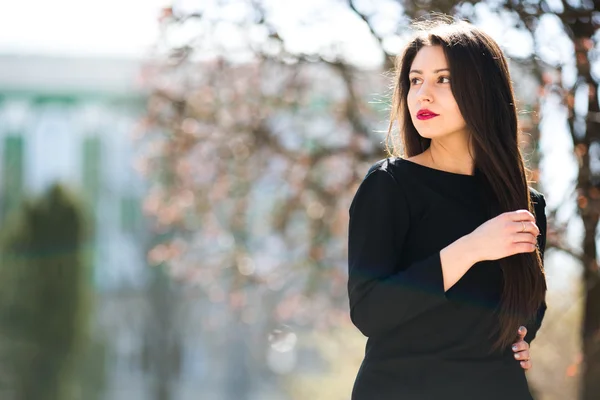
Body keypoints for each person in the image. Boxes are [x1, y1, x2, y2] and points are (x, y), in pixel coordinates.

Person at [347, 16, 547, 400]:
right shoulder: (389, 186)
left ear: (483, 91)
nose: (423, 94)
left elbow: (530, 301)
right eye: (415, 80)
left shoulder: (525, 203)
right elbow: (370, 311)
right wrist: (471, 249)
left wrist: (524, 335)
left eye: (443, 79)